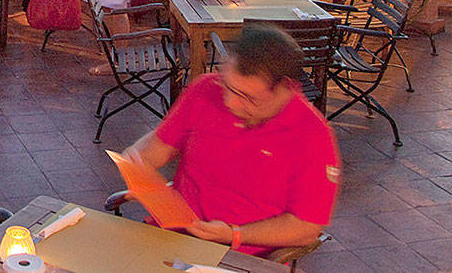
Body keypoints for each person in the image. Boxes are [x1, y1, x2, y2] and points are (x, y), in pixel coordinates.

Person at [123, 25, 340, 258]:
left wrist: (234, 234)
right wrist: (137, 165)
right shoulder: (206, 89)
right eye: (228, 86)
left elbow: (306, 228)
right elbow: (158, 146)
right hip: (173, 236)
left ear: (286, 90)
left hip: (242, 255)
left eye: (247, 97)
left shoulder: (313, 136)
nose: (230, 103)